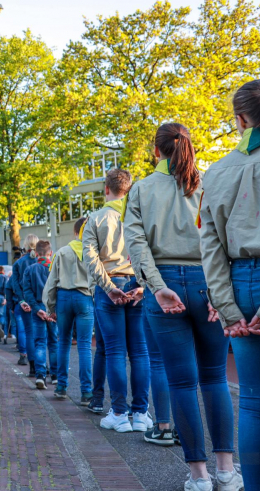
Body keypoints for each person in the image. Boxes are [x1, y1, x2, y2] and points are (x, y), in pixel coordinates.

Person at [125, 122, 240, 490]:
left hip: (165, 286)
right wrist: (222, 294)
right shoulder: (209, 184)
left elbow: (137, 245)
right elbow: (226, 238)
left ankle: (198, 476)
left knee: (181, 382)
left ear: (156, 151)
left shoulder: (141, 189)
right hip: (208, 283)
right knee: (215, 378)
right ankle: (227, 469)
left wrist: (157, 288)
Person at [199, 79, 260, 491]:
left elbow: (210, 247)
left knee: (251, 403)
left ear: (241, 117)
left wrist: (227, 307)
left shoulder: (217, 171)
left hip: (238, 282)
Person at [83, 168, 151, 434]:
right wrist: (143, 286)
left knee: (113, 351)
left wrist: (109, 287)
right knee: (140, 352)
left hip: (109, 285)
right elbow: (150, 252)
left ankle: (120, 413)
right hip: (137, 285)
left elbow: (90, 258)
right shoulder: (140, 215)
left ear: (106, 189)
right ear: (130, 188)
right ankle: (141, 413)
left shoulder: (96, 218)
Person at [43, 218, 94, 404]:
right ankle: (86, 392)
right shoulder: (92, 252)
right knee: (84, 345)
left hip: (64, 298)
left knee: (63, 342)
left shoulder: (61, 253)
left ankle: (61, 387)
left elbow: (51, 282)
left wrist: (50, 307)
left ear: (74, 231)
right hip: (85, 298)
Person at [25, 240, 57, 389]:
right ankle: (56, 375)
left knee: (39, 342)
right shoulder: (55, 268)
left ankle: (40, 375)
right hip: (53, 311)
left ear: (36, 253)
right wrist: (53, 310)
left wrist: (37, 309)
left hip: (37, 310)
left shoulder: (30, 270)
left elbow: (27, 292)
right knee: (54, 342)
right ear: (50, 253)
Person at [12, 234, 41, 374]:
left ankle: (33, 366)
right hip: (40, 302)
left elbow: (15, 285)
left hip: (25, 302)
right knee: (42, 334)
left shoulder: (19, 263)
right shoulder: (42, 261)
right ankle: (42, 364)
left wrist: (22, 300)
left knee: (29, 332)